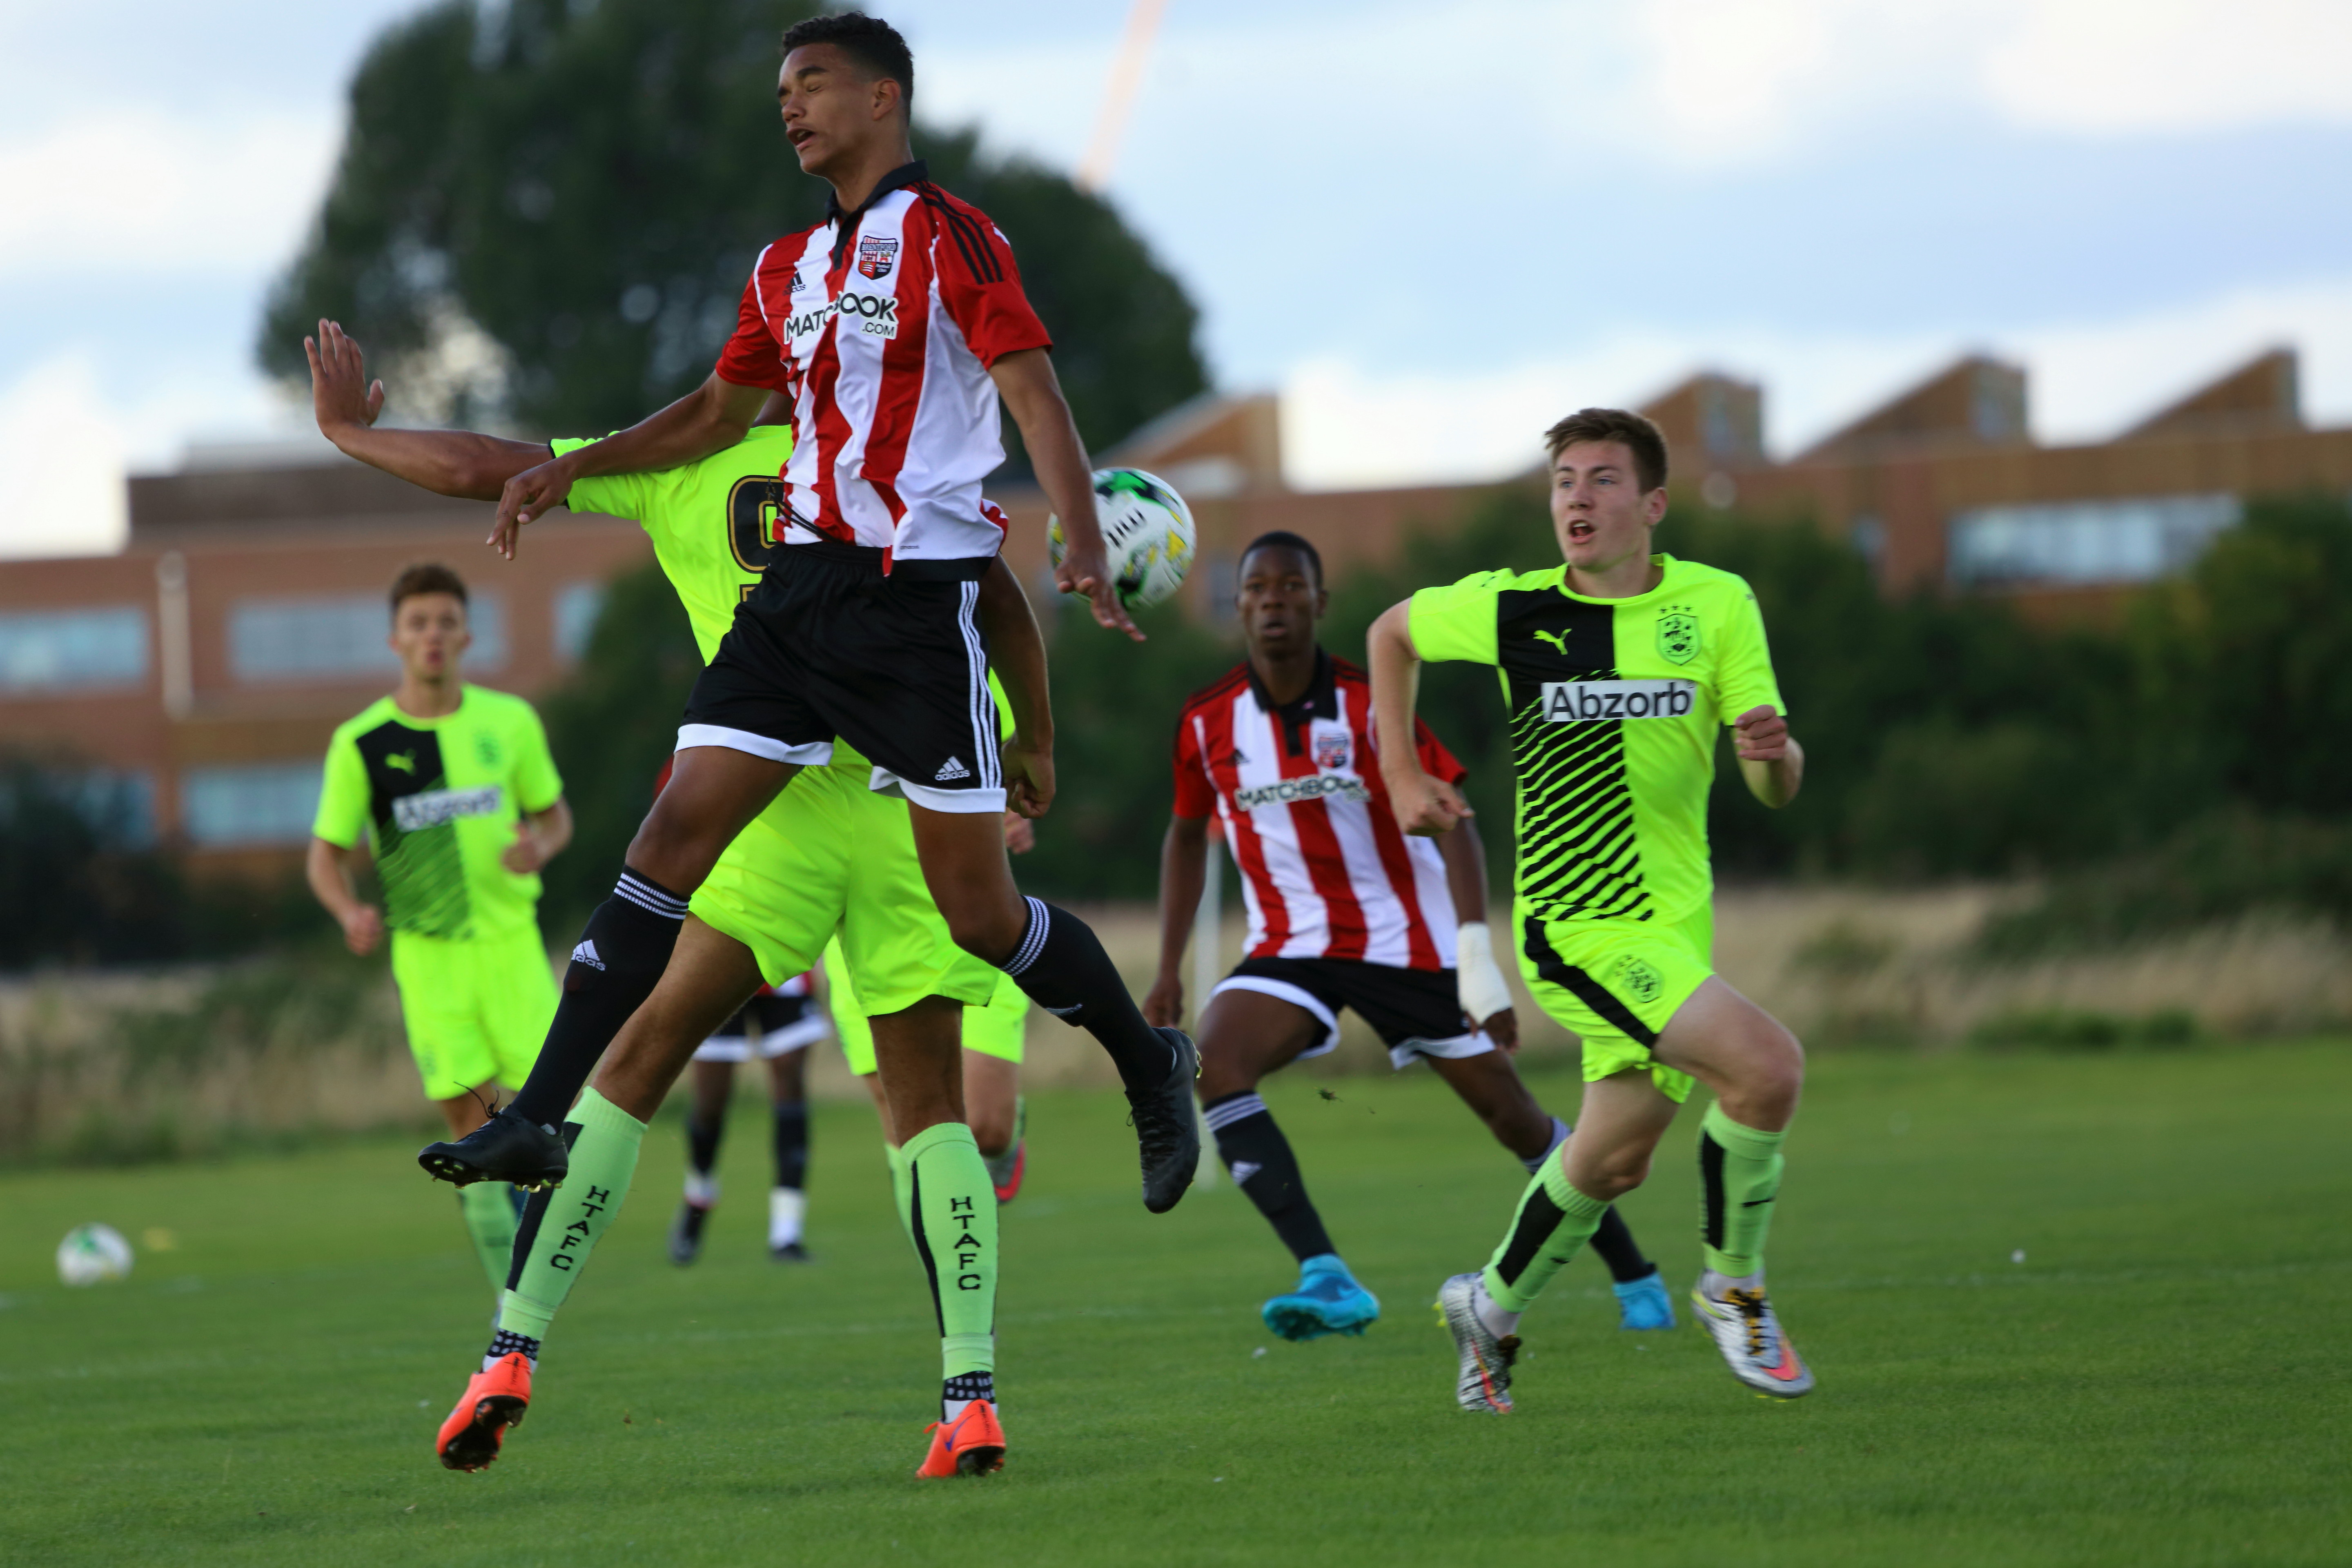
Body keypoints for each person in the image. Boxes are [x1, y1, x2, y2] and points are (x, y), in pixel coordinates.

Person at [412, 11, 1198, 1216]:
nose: (791, 105)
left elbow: (1031, 388)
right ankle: (538, 1118)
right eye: (783, 88)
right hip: (795, 599)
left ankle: (1149, 1061)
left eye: (814, 82)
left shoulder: (951, 236)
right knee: (667, 841)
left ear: (886, 98)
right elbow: (713, 417)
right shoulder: (788, 270)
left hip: (913, 617)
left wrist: (1080, 532)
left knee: (983, 914)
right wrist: (575, 465)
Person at [306, 323, 1022, 1478]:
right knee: (929, 1110)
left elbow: (493, 464)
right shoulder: (893, 468)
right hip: (902, 818)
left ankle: (510, 1353)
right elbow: (989, 603)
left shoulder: (684, 462)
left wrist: (354, 433)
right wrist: (1021, 756)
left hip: (764, 828)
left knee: (629, 1072)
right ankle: (971, 1390)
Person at [1366, 408, 1813, 1413]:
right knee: (1765, 1066)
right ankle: (1733, 1287)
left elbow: (1773, 782)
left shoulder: (1716, 603)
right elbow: (1389, 632)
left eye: (1602, 479)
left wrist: (1774, 756)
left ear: (1650, 505)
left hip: (1672, 927)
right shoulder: (1514, 609)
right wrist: (1398, 768)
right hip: (1577, 924)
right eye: (1564, 479)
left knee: (1610, 1160)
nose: (1576, 496)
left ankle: (1487, 1305)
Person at [1145, 532, 1673, 1342]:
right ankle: (1327, 1277)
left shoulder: (1368, 704)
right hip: (1294, 946)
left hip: (1408, 945)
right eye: (1257, 587)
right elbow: (1186, 837)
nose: (1274, 600)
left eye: (1293, 586)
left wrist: (1474, 958)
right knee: (1216, 1063)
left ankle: (1636, 1274)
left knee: (1516, 1120)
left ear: (1320, 605)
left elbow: (1456, 825)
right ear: (1240, 605)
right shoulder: (1206, 721)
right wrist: (1168, 970)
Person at [305, 563, 572, 1301]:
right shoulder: (363, 742)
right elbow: (325, 857)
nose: (432, 636)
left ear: (467, 637)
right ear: (396, 640)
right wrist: (348, 910)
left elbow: (555, 818)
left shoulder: (509, 723)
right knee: (469, 1123)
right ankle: (514, 1303)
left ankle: (540, 1271)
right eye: (419, 623)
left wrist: (538, 848)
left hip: (513, 947)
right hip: (430, 958)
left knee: (556, 1116)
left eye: (445, 623)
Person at [828, 809, 1036, 1218]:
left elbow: (994, 759)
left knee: (987, 1128)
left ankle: (1006, 1132)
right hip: (861, 931)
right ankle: (950, 1274)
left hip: (964, 920)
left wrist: (1008, 801)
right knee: (912, 1141)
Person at [668, 969, 829, 1265]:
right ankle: (699, 1195)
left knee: (790, 1084)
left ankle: (786, 1233)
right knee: (710, 1103)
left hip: (784, 960)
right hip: (718, 963)